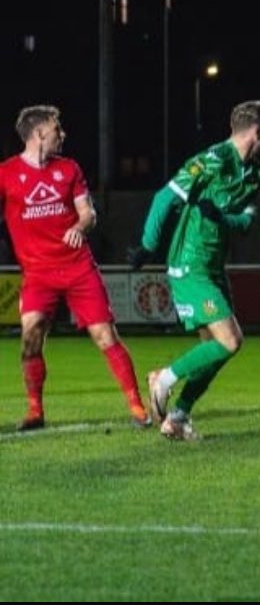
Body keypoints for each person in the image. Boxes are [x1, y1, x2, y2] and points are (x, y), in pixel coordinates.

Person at [131, 100, 260, 441]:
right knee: (231, 340)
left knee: (213, 351)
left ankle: (178, 417)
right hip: (190, 264)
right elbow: (164, 197)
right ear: (257, 132)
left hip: (214, 267)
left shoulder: (255, 173)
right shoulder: (213, 160)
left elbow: (246, 222)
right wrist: (148, 245)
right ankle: (163, 378)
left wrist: (221, 217)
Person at [0, 104, 150, 431]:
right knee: (30, 336)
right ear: (39, 133)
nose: (62, 134)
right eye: (57, 129)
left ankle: (138, 407)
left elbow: (88, 214)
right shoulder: (6, 174)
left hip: (78, 269)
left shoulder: (68, 169)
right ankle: (35, 411)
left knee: (105, 335)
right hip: (38, 274)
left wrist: (80, 227)